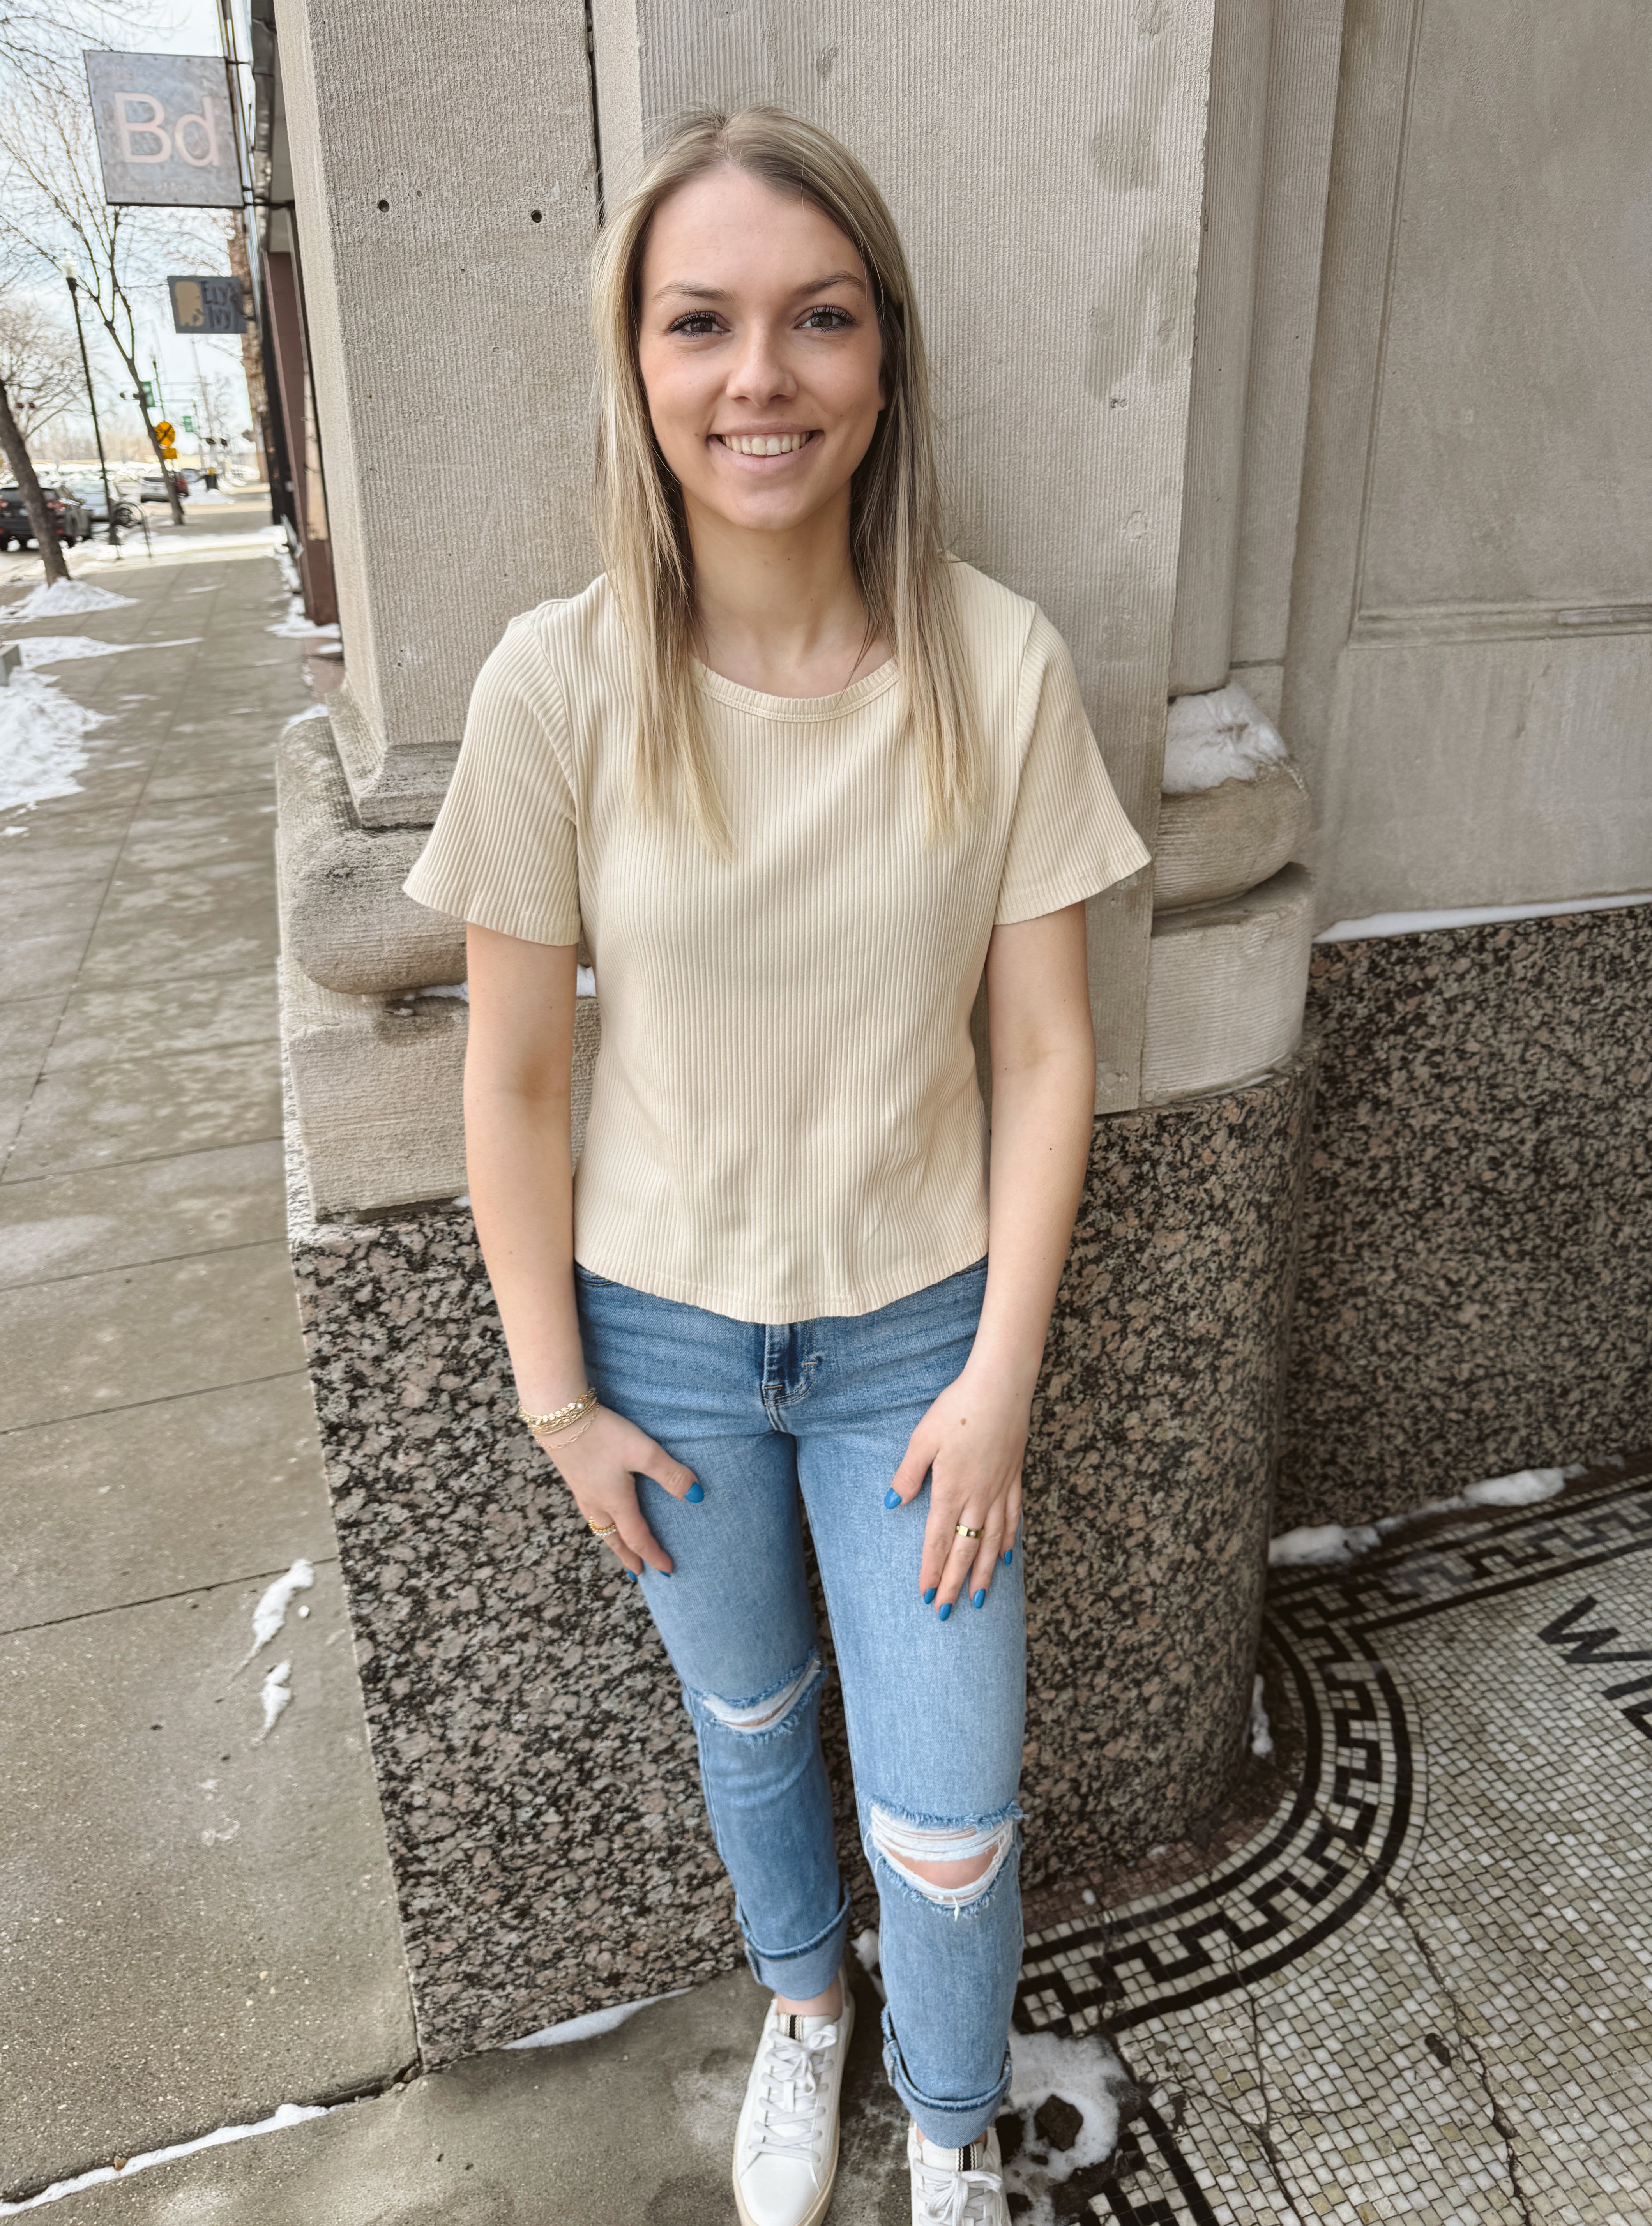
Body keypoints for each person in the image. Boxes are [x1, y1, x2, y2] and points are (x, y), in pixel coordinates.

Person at [406, 106, 1148, 2226]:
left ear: (886, 358)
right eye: (704, 323)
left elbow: (1046, 1044)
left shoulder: (995, 669)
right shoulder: (555, 686)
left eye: (818, 321)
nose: (763, 378)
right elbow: (519, 1080)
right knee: (749, 1722)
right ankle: (804, 2014)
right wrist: (560, 1395)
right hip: (664, 1337)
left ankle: (940, 2128)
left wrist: (1000, 1374)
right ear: (638, 364)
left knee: (953, 1813)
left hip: (923, 1337)